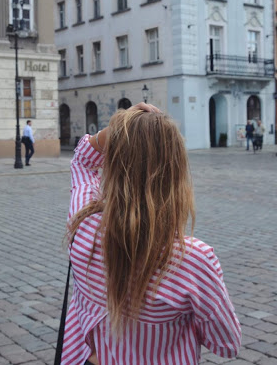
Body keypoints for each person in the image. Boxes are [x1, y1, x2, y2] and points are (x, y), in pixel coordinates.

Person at [62, 103, 241, 365]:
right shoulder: (193, 261)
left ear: (114, 166)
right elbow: (226, 344)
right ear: (175, 173)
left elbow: (83, 161)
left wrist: (116, 131)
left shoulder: (83, 227)